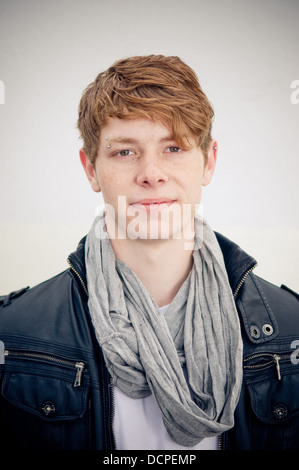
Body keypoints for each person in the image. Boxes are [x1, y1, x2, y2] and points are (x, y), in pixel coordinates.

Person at [0, 55, 298, 451]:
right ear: (91, 169)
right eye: (125, 152)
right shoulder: (14, 334)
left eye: (173, 148)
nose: (151, 173)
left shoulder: (291, 331)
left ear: (208, 161)